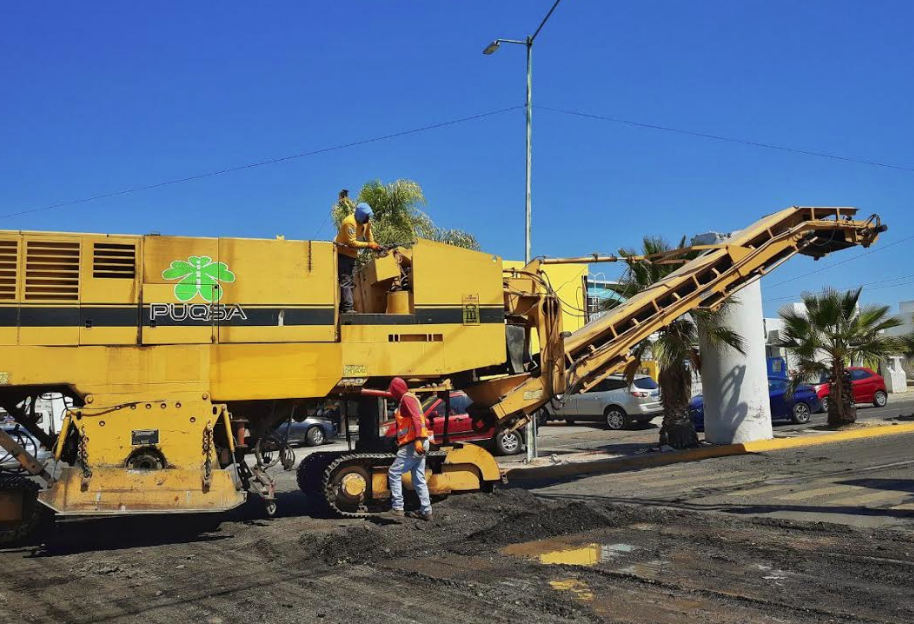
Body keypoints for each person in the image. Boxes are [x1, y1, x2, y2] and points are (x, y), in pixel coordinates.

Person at [386, 377, 433, 520]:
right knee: (418, 478)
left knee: (393, 472)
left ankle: (398, 508)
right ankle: (426, 511)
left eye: (392, 390)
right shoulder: (410, 398)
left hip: (413, 444)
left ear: (396, 389)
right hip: (418, 442)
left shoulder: (406, 398)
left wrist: (417, 439)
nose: (392, 393)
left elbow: (417, 418)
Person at [334, 196, 380, 313]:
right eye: (366, 216)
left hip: (353, 255)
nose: (368, 218)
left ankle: (345, 306)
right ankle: (347, 308)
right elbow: (352, 242)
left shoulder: (366, 222)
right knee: (346, 280)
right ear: (360, 215)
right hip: (342, 254)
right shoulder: (350, 223)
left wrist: (374, 244)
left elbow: (369, 235)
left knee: (352, 281)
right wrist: (369, 245)